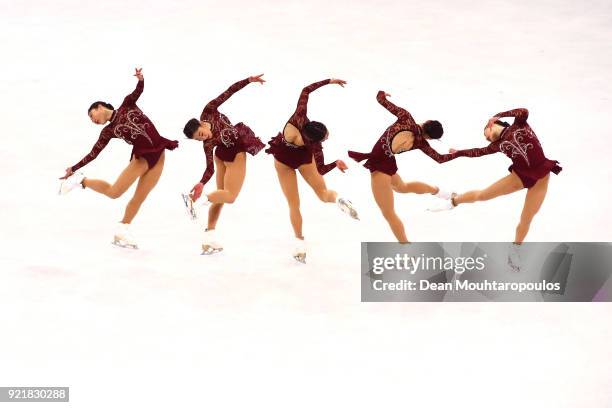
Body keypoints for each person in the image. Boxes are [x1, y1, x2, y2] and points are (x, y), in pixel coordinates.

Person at [428, 108, 562, 270]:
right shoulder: (496, 145)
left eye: (486, 134)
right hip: (520, 177)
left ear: (491, 125)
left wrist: (498, 115)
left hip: (541, 176)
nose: (486, 139)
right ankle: (454, 201)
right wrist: (459, 153)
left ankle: (514, 249)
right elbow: (477, 152)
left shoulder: (520, 124)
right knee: (483, 195)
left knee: (527, 217)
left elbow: (523, 111)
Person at [59, 68, 178, 249]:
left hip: (159, 153)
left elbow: (138, 91)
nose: (93, 120)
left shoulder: (127, 104)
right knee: (115, 192)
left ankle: (122, 230)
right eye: (91, 120)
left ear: (100, 107)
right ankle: (81, 180)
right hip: (142, 157)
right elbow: (94, 153)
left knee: (140, 197)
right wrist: (74, 168)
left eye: (92, 116)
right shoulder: (107, 131)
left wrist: (140, 79)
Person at [265, 78, 358, 263]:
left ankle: (300, 245)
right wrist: (335, 163)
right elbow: (321, 170)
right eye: (325, 138)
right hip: (304, 158)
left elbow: (305, 90)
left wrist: (329, 81)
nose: (326, 138)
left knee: (294, 204)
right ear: (315, 139)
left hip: (283, 159)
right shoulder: (314, 147)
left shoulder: (299, 118)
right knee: (323, 194)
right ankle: (338, 199)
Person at [348, 91, 455, 243]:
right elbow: (440, 159)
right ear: (430, 137)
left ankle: (406, 247)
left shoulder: (405, 117)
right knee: (402, 187)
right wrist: (457, 153)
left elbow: (381, 100)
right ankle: (439, 192)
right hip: (387, 162)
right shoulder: (421, 142)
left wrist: (382, 94)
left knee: (389, 213)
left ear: (427, 121)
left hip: (381, 167)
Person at [182, 74, 266, 254]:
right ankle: (197, 202)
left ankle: (208, 239)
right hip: (232, 156)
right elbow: (210, 167)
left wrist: (248, 81)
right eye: (198, 139)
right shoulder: (208, 144)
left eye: (200, 133)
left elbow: (229, 92)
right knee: (230, 196)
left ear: (200, 124)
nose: (202, 138)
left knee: (220, 198)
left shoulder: (209, 111)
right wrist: (201, 184)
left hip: (231, 151)